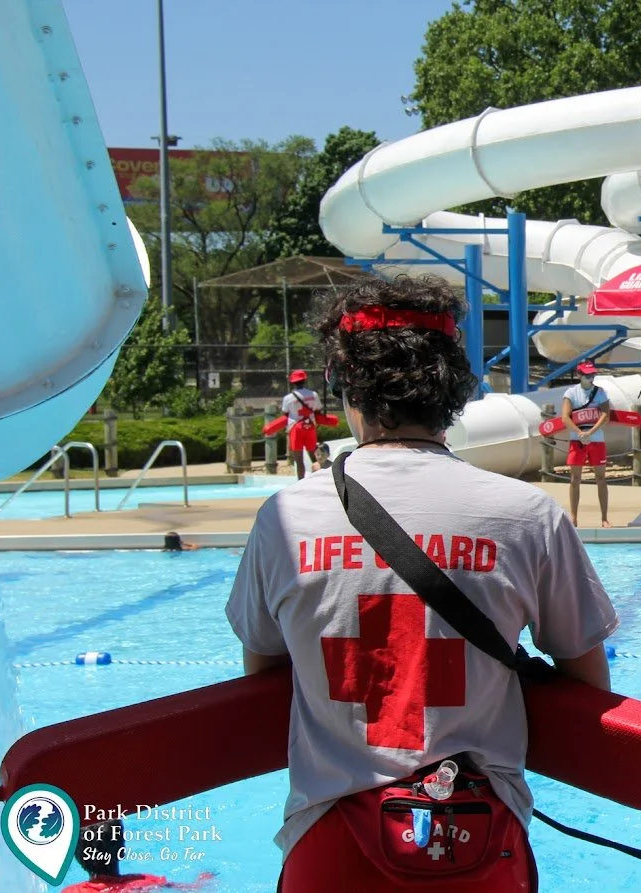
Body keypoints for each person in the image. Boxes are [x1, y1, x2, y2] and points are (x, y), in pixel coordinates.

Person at [226, 275, 617, 891]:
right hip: (480, 843)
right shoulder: (527, 515)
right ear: (455, 386)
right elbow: (588, 687)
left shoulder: (284, 518)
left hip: (330, 843)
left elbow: (263, 683)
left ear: (343, 381)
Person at [65, 819, 214, 891]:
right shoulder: (145, 883)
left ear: (77, 857)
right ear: (122, 851)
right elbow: (189, 889)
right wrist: (203, 880)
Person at [560, 361, 611, 527]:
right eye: (587, 375)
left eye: (593, 375)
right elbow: (565, 417)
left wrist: (590, 433)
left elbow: (605, 415)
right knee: (575, 478)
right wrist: (580, 433)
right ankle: (573, 517)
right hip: (577, 440)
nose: (591, 378)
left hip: (596, 439)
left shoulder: (600, 392)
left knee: (601, 478)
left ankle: (604, 518)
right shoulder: (571, 393)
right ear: (579, 375)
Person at [281, 369, 323, 480]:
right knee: (314, 457)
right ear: (304, 380)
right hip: (310, 426)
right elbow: (318, 410)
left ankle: (300, 483)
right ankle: (318, 480)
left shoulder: (288, 398)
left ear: (293, 382)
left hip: (295, 427)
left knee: (299, 459)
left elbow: (285, 413)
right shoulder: (313, 395)